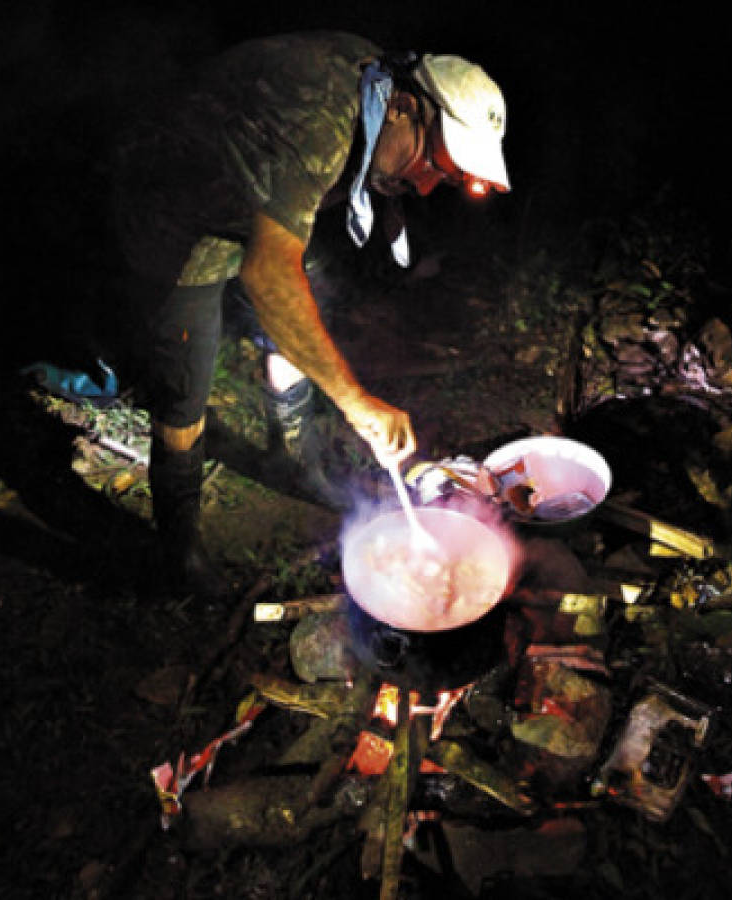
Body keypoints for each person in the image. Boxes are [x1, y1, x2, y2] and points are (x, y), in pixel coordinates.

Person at [110, 31, 510, 596]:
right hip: (175, 205)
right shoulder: (315, 116)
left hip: (252, 200)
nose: (424, 186)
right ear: (404, 107)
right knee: (184, 384)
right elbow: (269, 275)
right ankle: (178, 549)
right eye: (432, 162)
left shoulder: (378, 88)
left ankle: (291, 458)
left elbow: (286, 256)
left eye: (442, 178)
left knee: (307, 295)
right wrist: (355, 401)